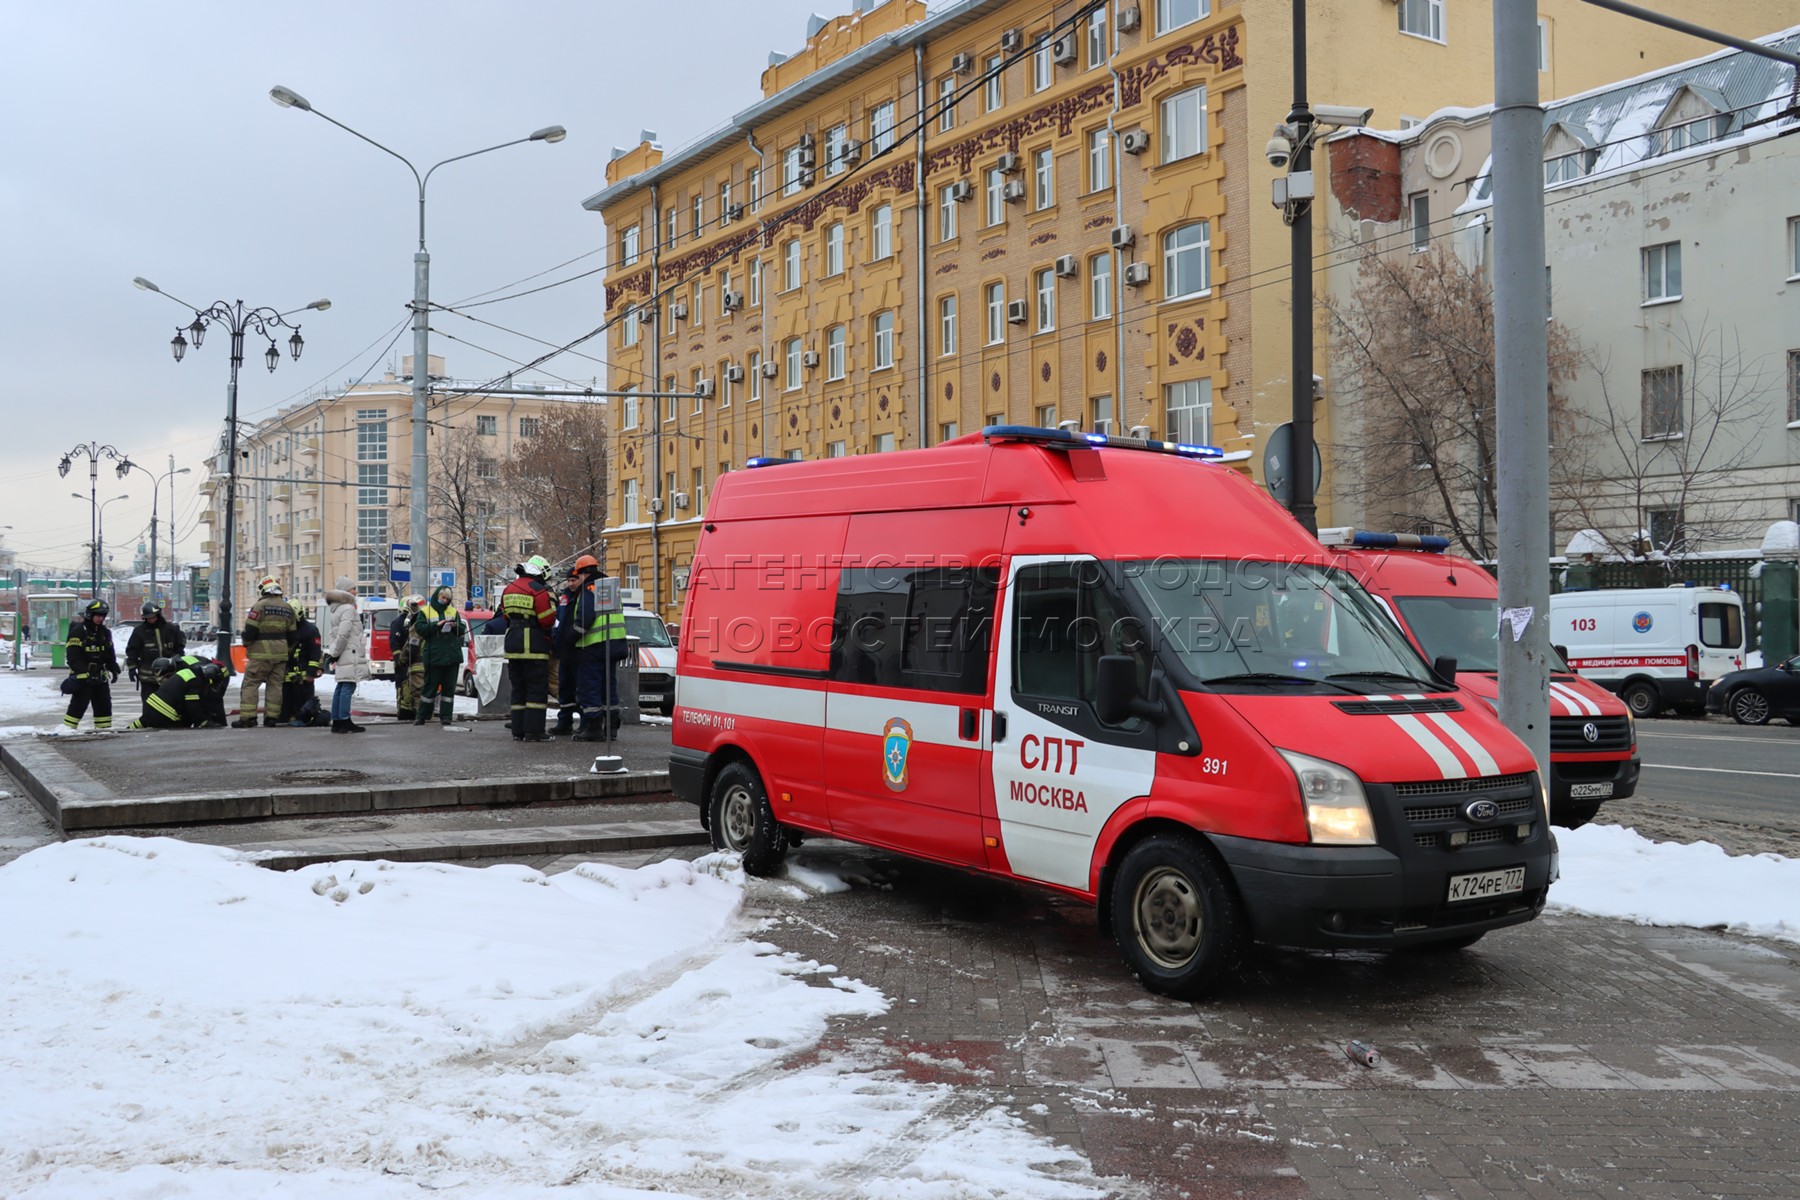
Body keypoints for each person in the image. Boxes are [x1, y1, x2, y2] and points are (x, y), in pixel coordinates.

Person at [569, 555, 628, 742]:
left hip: (593, 646)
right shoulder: (610, 587)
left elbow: (585, 619)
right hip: (615, 644)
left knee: (590, 687)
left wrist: (570, 637)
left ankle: (593, 728)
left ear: (582, 573)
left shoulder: (588, 589)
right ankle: (611, 729)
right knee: (608, 688)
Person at [500, 555, 557, 741]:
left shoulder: (508, 588)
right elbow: (547, 619)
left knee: (518, 689)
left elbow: (505, 616)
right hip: (534, 645)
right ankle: (534, 732)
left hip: (512, 645)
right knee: (536, 689)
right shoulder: (538, 590)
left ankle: (518, 731)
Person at [234, 576, 298, 727]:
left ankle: (248, 718)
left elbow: (250, 630)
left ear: (263, 590)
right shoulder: (288, 608)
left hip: (259, 655)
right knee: (275, 685)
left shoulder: (260, 606)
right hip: (280, 655)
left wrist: (247, 643)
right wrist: (286, 650)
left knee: (251, 683)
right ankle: (272, 718)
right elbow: (293, 635)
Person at [413, 584, 467, 726]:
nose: (445, 600)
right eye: (443, 597)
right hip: (434, 656)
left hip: (451, 656)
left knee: (449, 689)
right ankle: (422, 716)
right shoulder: (425, 612)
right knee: (430, 687)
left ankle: (446, 716)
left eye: (447, 598)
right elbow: (420, 629)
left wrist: (456, 626)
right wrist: (436, 625)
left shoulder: (453, 611)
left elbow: (462, 629)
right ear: (437, 596)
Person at [62, 599, 120, 731]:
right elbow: (72, 657)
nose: (100, 618)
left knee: (104, 707)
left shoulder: (105, 632)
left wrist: (113, 667)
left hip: (100, 678)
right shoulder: (78, 630)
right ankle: (67, 731)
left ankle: (103, 732)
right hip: (84, 679)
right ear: (90, 614)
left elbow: (109, 653)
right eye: (98, 615)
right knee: (78, 706)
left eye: (103, 616)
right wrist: (85, 672)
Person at [323, 577, 369, 733]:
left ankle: (337, 720)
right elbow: (344, 634)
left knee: (342, 685)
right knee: (348, 685)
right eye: (352, 589)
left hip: (343, 652)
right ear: (344, 592)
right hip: (351, 652)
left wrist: (334, 652)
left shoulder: (336, 610)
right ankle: (344, 720)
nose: (356, 591)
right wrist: (336, 652)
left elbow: (333, 635)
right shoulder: (349, 609)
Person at [127, 658, 227, 730]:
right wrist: (203, 722)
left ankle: (129, 729)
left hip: (151, 707)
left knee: (144, 721)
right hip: (165, 714)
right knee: (184, 726)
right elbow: (193, 705)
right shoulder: (195, 681)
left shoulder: (186, 672)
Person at [124, 602, 186, 705]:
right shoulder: (139, 632)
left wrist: (179, 661)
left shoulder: (171, 629)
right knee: (149, 705)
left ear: (158, 615)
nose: (151, 620)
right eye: (148, 618)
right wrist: (132, 667)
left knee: (171, 705)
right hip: (148, 678)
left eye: (153, 617)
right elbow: (132, 651)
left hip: (169, 677)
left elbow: (180, 648)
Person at [283, 604, 326, 727]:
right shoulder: (285, 628)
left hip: (304, 677)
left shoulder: (310, 630)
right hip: (286, 675)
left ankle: (303, 717)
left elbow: (315, 653)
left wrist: (311, 673)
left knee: (305, 703)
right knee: (285, 705)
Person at [551, 568, 582, 735]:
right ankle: (564, 722)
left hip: (578, 649)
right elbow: (558, 620)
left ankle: (585, 722)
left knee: (581, 689)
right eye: (569, 580)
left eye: (574, 580)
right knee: (565, 688)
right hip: (564, 649)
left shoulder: (583, 596)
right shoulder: (564, 597)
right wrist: (556, 639)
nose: (571, 583)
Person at [391, 594, 425, 721]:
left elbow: (401, 644)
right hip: (407, 662)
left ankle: (409, 712)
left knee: (411, 690)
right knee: (408, 688)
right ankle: (408, 711)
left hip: (409, 662)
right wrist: (400, 660)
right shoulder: (404, 622)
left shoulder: (412, 623)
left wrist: (400, 660)